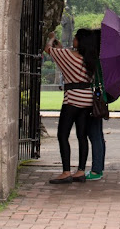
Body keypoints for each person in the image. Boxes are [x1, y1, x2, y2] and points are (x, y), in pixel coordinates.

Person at [45, 28, 98, 184]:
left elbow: (49, 50)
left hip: (72, 99)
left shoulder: (68, 56)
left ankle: (66, 171)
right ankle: (80, 171)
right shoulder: (90, 59)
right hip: (87, 99)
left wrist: (51, 39)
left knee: (63, 135)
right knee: (82, 136)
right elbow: (62, 53)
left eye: (75, 37)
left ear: (79, 41)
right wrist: (59, 46)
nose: (73, 39)